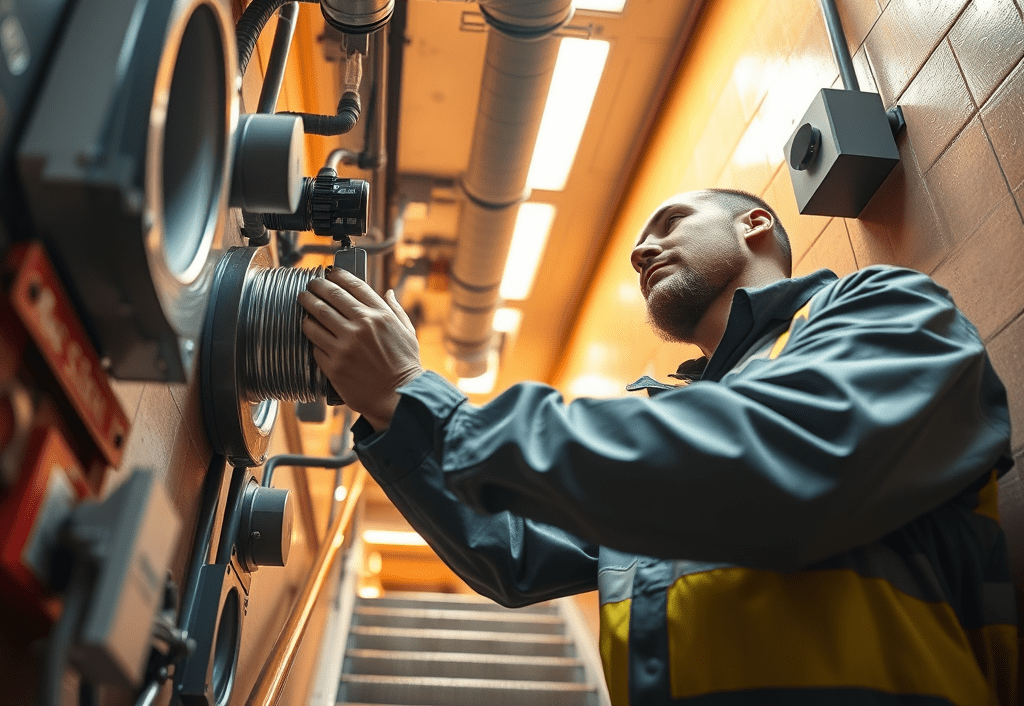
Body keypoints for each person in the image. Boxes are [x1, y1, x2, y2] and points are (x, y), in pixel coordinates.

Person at [298, 188, 1017, 705]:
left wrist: (430, 405)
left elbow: (781, 460)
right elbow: (510, 550)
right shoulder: (667, 420)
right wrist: (396, 413)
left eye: (670, 222)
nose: (642, 249)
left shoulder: (884, 309)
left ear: (756, 225)